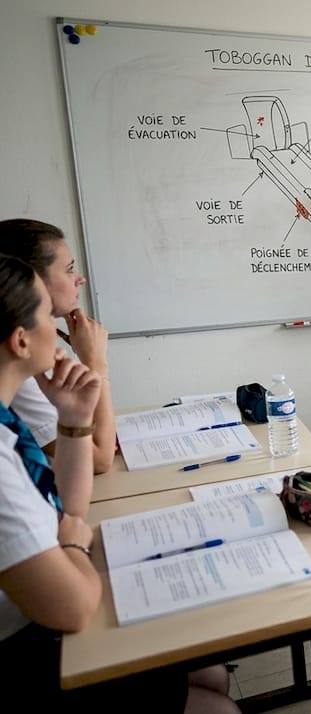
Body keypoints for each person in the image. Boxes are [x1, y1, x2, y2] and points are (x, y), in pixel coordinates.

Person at [0, 256, 237, 712]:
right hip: (25, 643)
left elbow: (68, 505)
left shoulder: (6, 415)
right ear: (21, 339)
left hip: (40, 611)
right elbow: (73, 606)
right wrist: (73, 545)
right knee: (218, 704)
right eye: (44, 309)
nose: (57, 322)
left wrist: (74, 419)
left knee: (209, 672)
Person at [0, 219, 117, 474]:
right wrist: (96, 363)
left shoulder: (25, 347)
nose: (80, 279)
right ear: (31, 280)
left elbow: (86, 428)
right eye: (69, 269)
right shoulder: (14, 361)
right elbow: (99, 459)